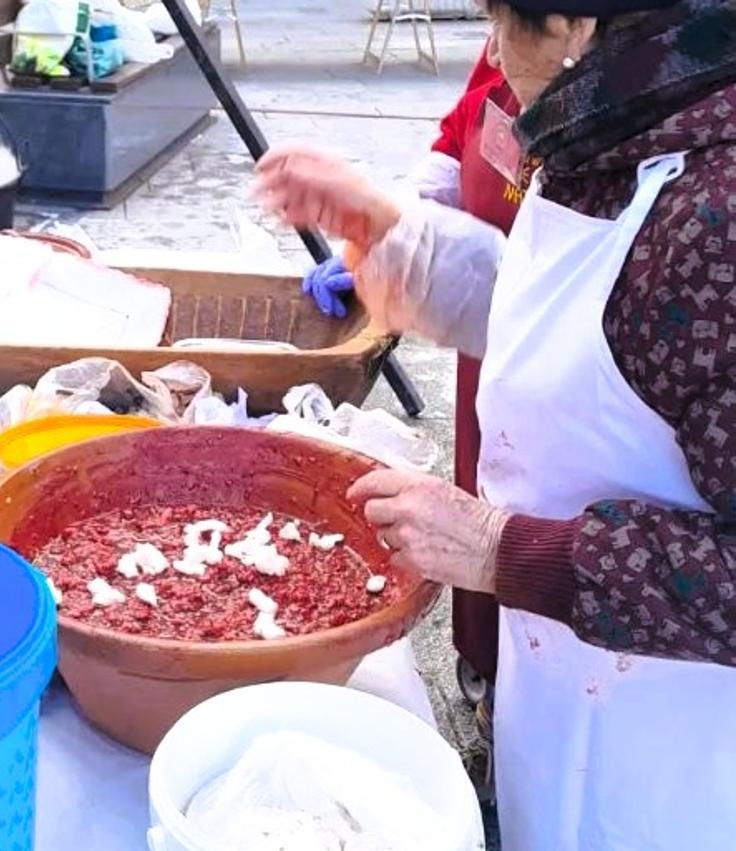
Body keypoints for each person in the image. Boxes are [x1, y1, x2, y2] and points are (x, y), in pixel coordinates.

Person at [256, 0, 736, 847]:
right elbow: (577, 332)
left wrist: (499, 549)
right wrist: (391, 230)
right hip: (562, 690)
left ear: (576, 27)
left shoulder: (713, 221)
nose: (490, 52)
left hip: (683, 759)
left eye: (498, 22)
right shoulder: (619, 126)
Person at [304, 40, 535, 712]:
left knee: (531, 532)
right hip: (482, 342)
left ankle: (524, 700)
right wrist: (389, 233)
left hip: (561, 346)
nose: (497, 34)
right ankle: (485, 671)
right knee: (479, 487)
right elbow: (461, 130)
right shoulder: (514, 38)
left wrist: (417, 253)